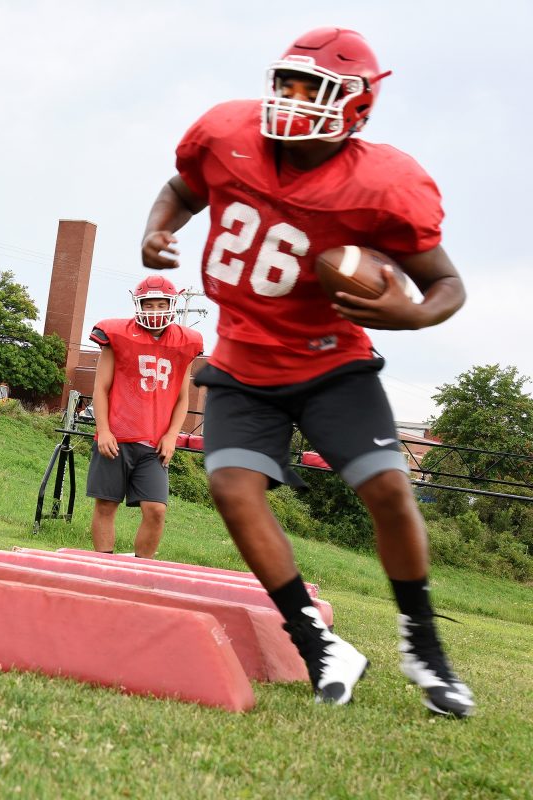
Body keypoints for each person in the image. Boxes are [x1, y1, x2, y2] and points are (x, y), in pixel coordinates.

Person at [139, 27, 474, 717]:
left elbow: (447, 284)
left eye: (312, 88)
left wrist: (414, 315)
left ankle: (423, 643)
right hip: (241, 358)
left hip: (330, 363)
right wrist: (158, 228)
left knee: (389, 488)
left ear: (355, 104)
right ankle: (317, 643)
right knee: (233, 490)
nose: (293, 98)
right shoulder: (226, 134)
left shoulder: (383, 183)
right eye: (287, 83)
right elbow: (180, 189)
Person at [86, 276, 204, 558]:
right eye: (149, 305)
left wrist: (172, 436)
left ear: (172, 305)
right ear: (138, 305)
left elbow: (182, 397)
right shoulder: (117, 335)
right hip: (117, 437)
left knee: (156, 510)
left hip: (154, 443)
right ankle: (105, 566)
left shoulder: (184, 342)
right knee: (106, 505)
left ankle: (141, 570)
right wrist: (104, 430)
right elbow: (100, 389)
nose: (155, 311)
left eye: (161, 304)